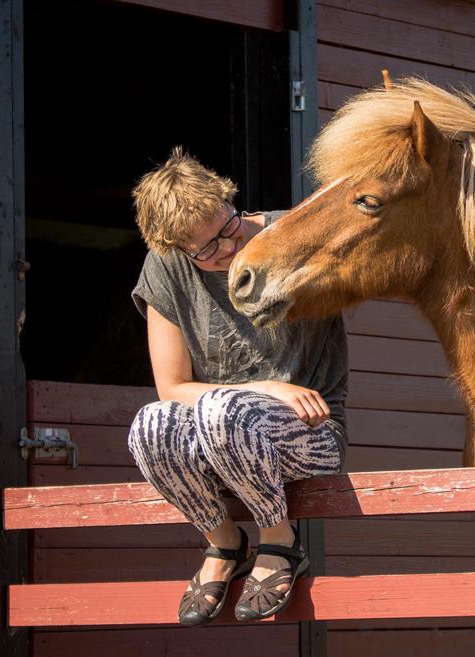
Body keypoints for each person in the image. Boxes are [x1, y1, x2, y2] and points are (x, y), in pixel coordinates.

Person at [126, 147, 348, 625]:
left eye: (228, 228)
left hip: (310, 431)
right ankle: (224, 541)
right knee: (151, 423)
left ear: (230, 202)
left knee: (221, 410)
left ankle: (280, 542)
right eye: (205, 249)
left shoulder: (294, 232)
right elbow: (172, 387)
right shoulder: (165, 269)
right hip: (220, 430)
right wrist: (267, 387)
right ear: (175, 250)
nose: (226, 249)